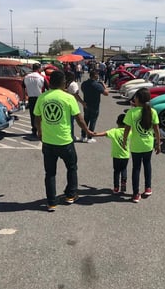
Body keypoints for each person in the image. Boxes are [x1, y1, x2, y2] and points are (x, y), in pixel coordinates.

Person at [33, 70, 94, 212]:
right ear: (63, 82)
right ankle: (70, 195)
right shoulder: (68, 98)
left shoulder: (42, 98)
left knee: (50, 173)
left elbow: (37, 118)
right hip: (65, 141)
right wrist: (87, 131)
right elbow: (79, 118)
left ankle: (51, 202)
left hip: (48, 143)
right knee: (71, 168)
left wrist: (40, 131)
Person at [122, 87, 161, 203]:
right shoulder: (152, 111)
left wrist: (124, 142)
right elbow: (157, 129)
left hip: (136, 146)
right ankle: (148, 187)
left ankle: (135, 194)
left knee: (136, 168)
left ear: (137, 99)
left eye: (135, 97)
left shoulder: (131, 113)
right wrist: (158, 143)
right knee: (147, 165)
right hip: (148, 144)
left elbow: (126, 130)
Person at [93, 114, 130, 194]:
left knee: (116, 171)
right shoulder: (129, 131)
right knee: (124, 169)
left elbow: (104, 133)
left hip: (116, 155)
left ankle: (116, 188)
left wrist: (95, 134)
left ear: (117, 122)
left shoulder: (114, 131)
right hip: (125, 155)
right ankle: (123, 182)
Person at [80, 70, 109, 143]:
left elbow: (83, 90)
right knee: (93, 121)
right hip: (95, 106)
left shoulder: (84, 83)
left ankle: (83, 136)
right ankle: (90, 137)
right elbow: (106, 93)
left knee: (85, 120)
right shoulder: (97, 85)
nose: (98, 76)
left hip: (86, 104)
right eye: (97, 74)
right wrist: (104, 85)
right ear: (95, 75)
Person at [24, 63, 44, 137]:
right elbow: (47, 87)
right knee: (40, 115)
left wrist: (24, 97)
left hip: (31, 98)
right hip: (40, 98)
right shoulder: (41, 77)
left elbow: (23, 86)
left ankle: (34, 130)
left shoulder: (26, 77)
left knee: (32, 115)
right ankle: (40, 129)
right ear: (39, 69)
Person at [65, 71, 86, 140]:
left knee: (67, 121)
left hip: (65, 102)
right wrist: (82, 102)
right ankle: (71, 136)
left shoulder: (65, 83)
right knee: (71, 121)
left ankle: (67, 134)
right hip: (72, 104)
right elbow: (76, 94)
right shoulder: (73, 84)